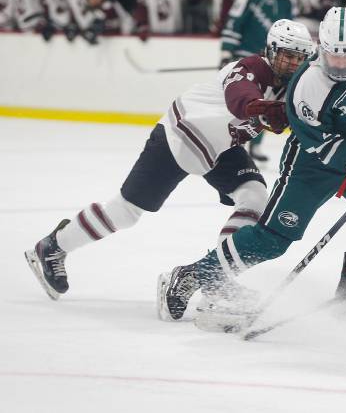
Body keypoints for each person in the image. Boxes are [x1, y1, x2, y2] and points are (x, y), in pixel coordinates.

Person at [159, 7, 346, 331]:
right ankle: (193, 274)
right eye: (331, 57)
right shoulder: (307, 85)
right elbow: (318, 142)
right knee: (274, 240)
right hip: (310, 163)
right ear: (320, 48)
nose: (338, 65)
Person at [25, 20, 314, 302]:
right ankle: (53, 246)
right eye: (287, 55)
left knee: (254, 197)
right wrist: (260, 109)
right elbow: (240, 99)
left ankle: (216, 276)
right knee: (125, 212)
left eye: (299, 57)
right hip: (182, 135)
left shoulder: (293, 85)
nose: (292, 63)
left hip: (221, 146)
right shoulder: (250, 67)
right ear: (272, 51)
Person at [220, 0, 298, 162]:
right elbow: (234, 24)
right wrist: (226, 53)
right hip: (246, 58)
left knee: (268, 104)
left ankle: (255, 145)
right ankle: (236, 143)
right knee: (247, 102)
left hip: (274, 63)